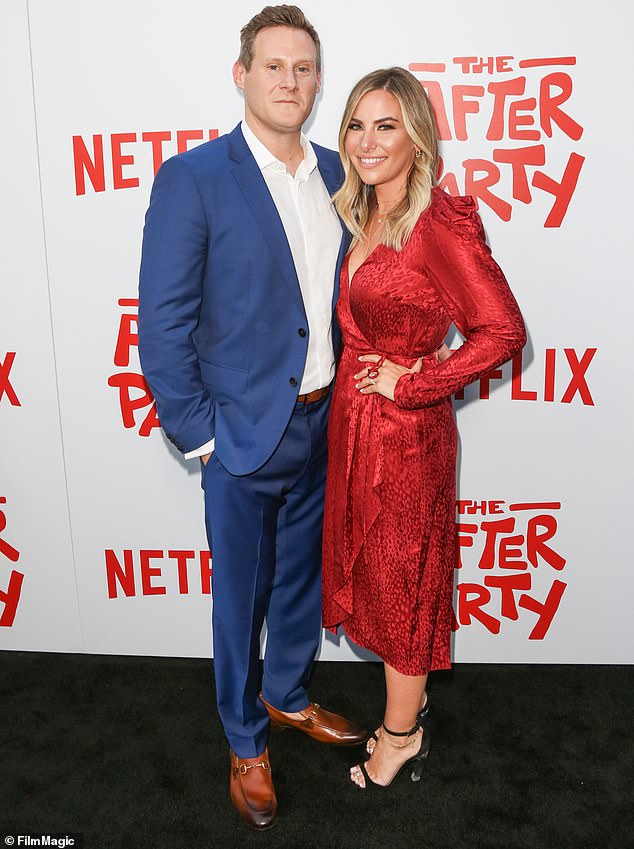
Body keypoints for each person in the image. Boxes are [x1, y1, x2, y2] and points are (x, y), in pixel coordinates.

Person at [138, 5, 366, 830]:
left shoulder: (342, 173)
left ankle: (288, 693)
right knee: (241, 595)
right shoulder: (193, 177)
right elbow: (161, 326)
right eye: (273, 66)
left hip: (323, 420)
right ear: (242, 75)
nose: (290, 82)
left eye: (303, 68)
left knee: (302, 577)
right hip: (238, 436)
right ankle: (244, 739)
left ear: (316, 80)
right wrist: (202, 437)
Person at [321, 67, 526, 789]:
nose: (367, 141)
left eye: (386, 125)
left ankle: (400, 736)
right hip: (357, 429)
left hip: (407, 443)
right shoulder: (365, 211)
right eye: (356, 124)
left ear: (416, 136)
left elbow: (503, 330)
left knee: (403, 586)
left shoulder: (436, 220)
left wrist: (417, 382)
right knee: (378, 580)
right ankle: (409, 710)